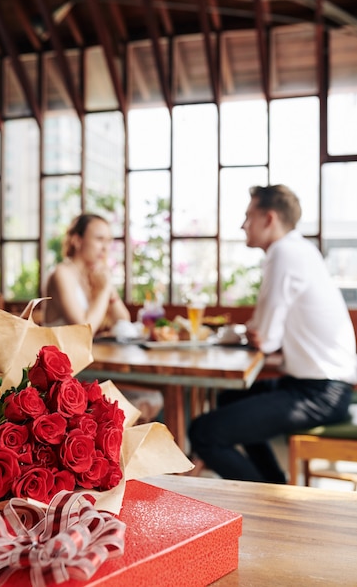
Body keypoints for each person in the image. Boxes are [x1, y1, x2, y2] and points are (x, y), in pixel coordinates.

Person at [189, 184, 357, 483]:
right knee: (229, 399)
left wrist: (258, 335)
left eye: (248, 216)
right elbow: (264, 332)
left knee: (203, 432)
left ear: (268, 218)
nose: (243, 225)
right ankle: (274, 484)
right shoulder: (299, 249)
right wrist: (258, 334)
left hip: (321, 393)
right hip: (319, 385)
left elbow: (264, 337)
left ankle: (270, 501)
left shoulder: (284, 252)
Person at [44, 213, 163, 422]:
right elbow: (83, 327)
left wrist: (107, 288)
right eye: (99, 239)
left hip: (88, 366)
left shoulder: (94, 275)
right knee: (151, 398)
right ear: (77, 240)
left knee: (155, 397)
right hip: (63, 376)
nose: (105, 247)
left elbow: (122, 319)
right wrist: (105, 288)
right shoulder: (62, 274)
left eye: (109, 241)